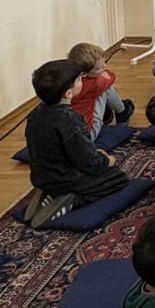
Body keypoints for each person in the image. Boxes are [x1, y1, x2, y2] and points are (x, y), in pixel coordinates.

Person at [24, 60, 129, 228]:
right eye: (79, 80)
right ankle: (72, 199)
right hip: (67, 179)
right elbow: (88, 162)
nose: (82, 82)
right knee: (118, 178)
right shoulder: (70, 120)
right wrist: (107, 160)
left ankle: (50, 193)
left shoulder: (34, 114)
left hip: (41, 177)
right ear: (68, 93)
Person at [68, 42, 135, 139]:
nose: (105, 67)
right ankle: (122, 112)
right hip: (87, 135)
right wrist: (104, 74)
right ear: (83, 74)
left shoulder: (66, 81)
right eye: (99, 68)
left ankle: (109, 114)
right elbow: (111, 76)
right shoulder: (93, 83)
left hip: (67, 134)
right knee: (105, 88)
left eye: (104, 63)